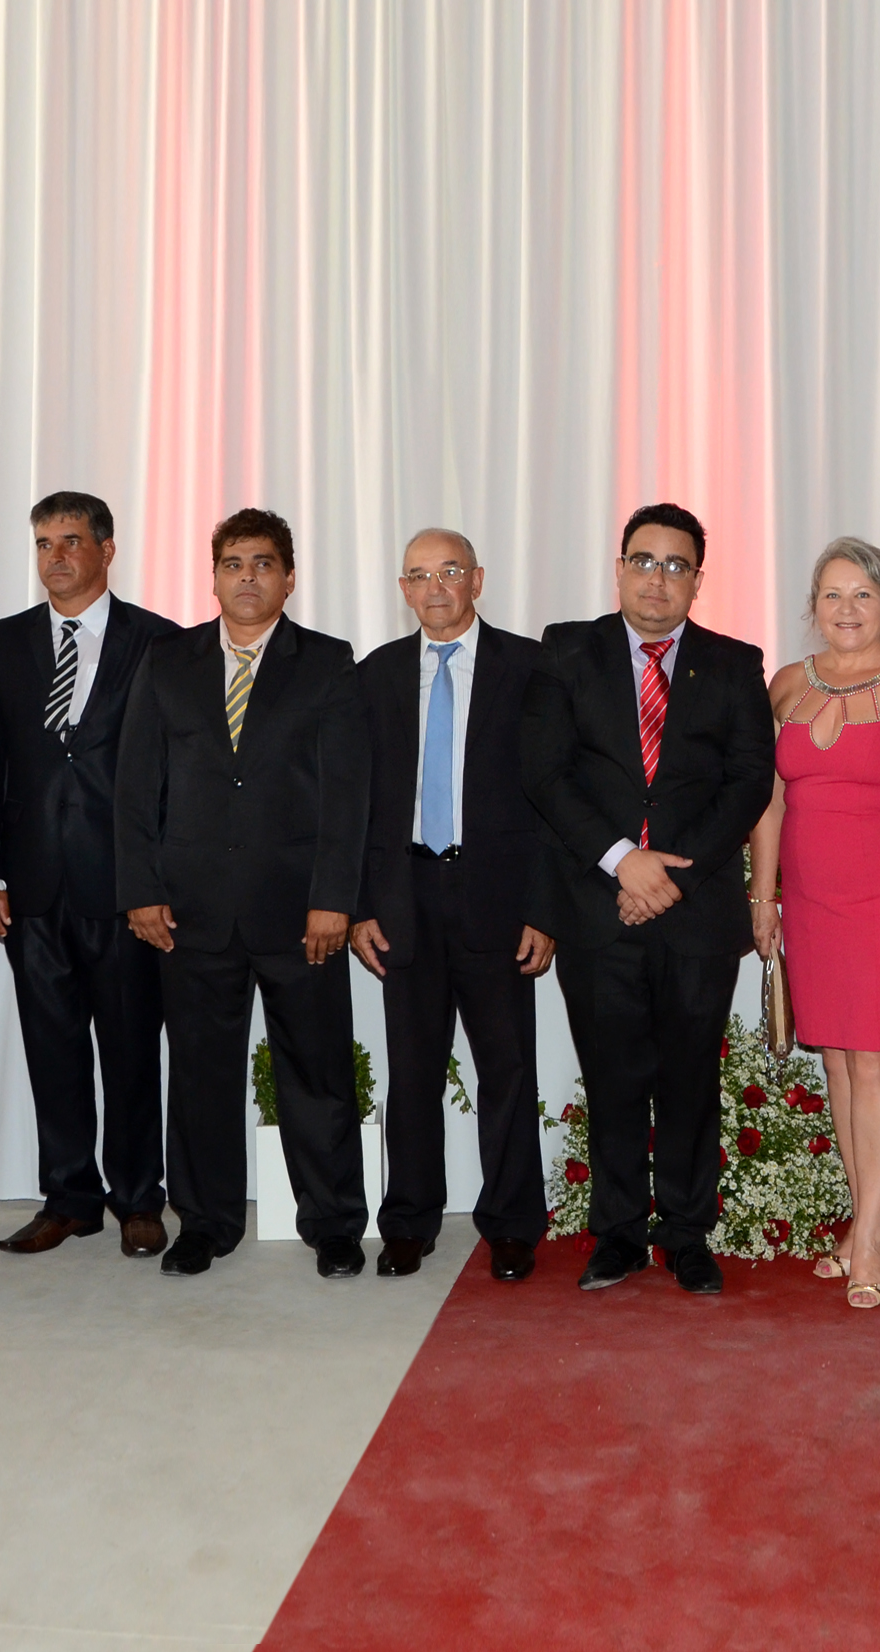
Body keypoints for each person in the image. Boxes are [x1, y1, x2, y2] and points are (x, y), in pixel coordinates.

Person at [522, 503, 775, 1297]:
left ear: (698, 580)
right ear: (619, 568)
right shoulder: (568, 650)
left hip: (696, 912)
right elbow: (545, 774)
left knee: (692, 1081)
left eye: (675, 565)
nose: (657, 579)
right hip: (598, 907)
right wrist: (622, 862)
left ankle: (688, 1236)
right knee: (613, 1079)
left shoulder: (734, 663)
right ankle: (620, 1234)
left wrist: (670, 878)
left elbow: (748, 783)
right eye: (643, 560)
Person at [114, 509, 370, 1279]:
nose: (247, 577)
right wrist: (140, 891)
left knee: (317, 1073)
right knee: (200, 1077)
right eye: (233, 563)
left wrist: (334, 898)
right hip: (189, 912)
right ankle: (206, 1222)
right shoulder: (168, 661)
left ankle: (333, 1224)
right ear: (214, 577)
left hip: (300, 914)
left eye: (263, 563)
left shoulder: (327, 663)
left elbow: (347, 796)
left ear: (289, 579)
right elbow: (135, 788)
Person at [746, 539, 880, 1308]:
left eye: (863, 595)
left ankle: (869, 1231)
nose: (847, 609)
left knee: (874, 1063)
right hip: (813, 905)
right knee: (838, 1062)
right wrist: (764, 896)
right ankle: (872, 1212)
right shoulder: (784, 686)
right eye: (833, 595)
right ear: (813, 606)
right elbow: (769, 801)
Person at [0, 493, 178, 1259]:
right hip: (31, 891)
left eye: (71, 541)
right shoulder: (3, 641)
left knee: (130, 1052)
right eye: (44, 543)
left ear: (106, 550)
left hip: (124, 892)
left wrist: (156, 884)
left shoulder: (159, 642)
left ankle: (138, 1200)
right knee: (51, 1054)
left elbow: (174, 778)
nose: (55, 556)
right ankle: (69, 1199)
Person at [352, 528, 556, 1283]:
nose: (434, 587)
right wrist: (360, 905)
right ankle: (408, 1221)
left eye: (449, 572)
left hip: (498, 901)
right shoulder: (374, 675)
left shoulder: (529, 669)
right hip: (402, 897)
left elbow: (552, 800)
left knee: (508, 1070)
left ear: (477, 579)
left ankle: (512, 1225)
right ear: (403, 589)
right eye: (418, 575)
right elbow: (355, 803)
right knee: (411, 1073)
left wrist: (544, 909)